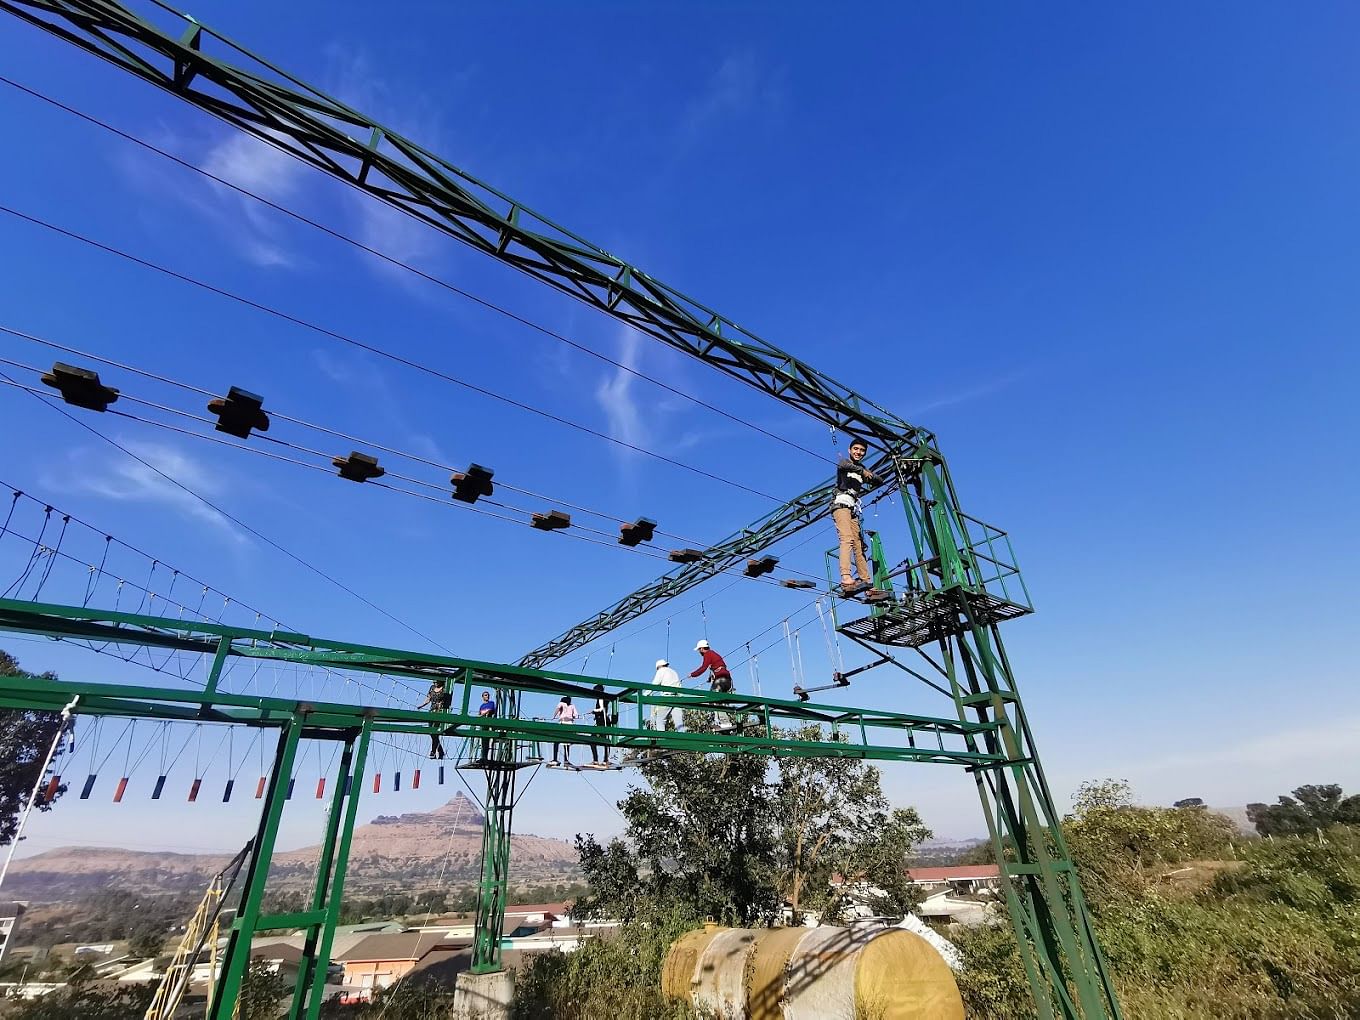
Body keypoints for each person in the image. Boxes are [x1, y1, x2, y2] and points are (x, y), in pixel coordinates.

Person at [834, 437, 885, 597]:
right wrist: (863, 472)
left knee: (859, 545)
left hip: (852, 509)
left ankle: (867, 583)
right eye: (856, 449)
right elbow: (843, 464)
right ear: (850, 450)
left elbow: (879, 480)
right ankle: (846, 577)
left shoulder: (862, 469)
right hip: (841, 504)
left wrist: (870, 476)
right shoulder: (845, 464)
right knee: (847, 538)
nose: (858, 452)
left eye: (862, 450)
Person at [417, 677, 452, 759]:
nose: (435, 682)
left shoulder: (444, 689)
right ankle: (440, 751)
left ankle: (433, 751)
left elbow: (447, 701)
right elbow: (428, 698)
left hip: (439, 712)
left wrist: (443, 707)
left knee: (434, 731)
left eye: (437, 681)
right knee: (432, 733)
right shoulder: (432, 687)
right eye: (434, 681)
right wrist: (422, 705)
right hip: (431, 711)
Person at [650, 658, 684, 731]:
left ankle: (661, 739)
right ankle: (684, 740)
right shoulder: (674, 672)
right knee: (679, 723)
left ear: (658, 667)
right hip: (677, 698)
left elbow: (655, 684)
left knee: (660, 721)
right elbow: (679, 686)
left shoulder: (661, 671)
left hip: (667, 697)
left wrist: (646, 694)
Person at [588, 684, 613, 767]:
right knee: (605, 741)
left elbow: (601, 709)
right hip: (605, 721)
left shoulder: (601, 697)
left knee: (592, 740)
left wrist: (593, 711)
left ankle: (596, 760)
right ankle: (605, 760)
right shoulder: (606, 698)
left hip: (601, 721)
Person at [550, 696, 578, 767]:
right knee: (567, 743)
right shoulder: (572, 706)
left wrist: (553, 716)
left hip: (562, 723)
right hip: (570, 724)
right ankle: (566, 760)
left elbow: (557, 709)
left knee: (556, 741)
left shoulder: (561, 703)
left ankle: (555, 759)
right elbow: (575, 715)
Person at [477, 690, 496, 762]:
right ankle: (483, 757)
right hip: (483, 724)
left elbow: (490, 710)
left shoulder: (491, 703)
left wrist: (483, 714)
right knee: (483, 741)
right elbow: (479, 714)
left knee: (487, 741)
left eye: (487, 695)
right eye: (485, 695)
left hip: (488, 723)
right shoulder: (482, 706)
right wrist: (482, 714)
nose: (487, 696)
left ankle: (485, 757)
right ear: (482, 697)